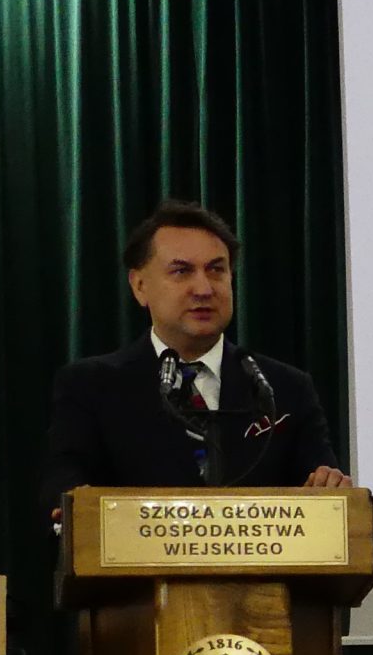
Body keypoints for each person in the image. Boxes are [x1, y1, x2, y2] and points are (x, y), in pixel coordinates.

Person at [39, 200, 349, 516]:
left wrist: (331, 488)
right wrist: (74, 505)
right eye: (181, 271)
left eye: (216, 270)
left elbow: (324, 494)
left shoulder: (284, 388)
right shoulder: (91, 386)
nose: (203, 288)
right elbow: (64, 480)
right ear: (139, 286)